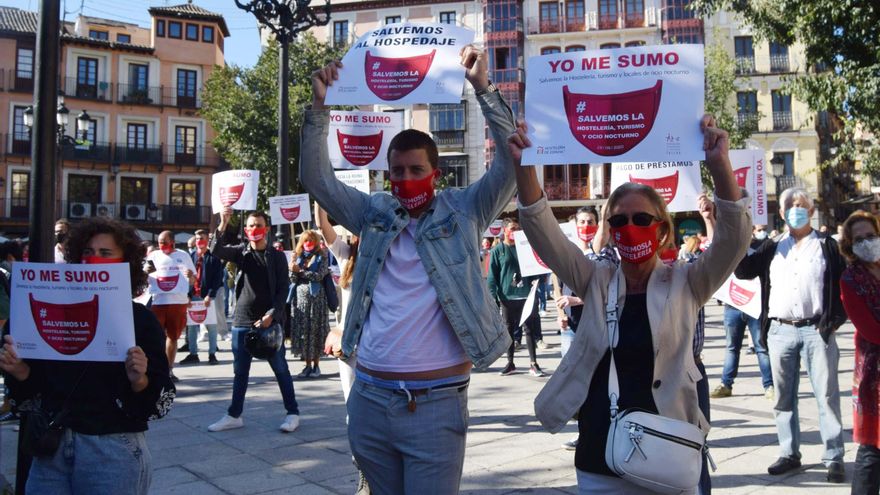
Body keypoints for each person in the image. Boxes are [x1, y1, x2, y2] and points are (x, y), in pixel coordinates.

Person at [302, 45, 515, 493]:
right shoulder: (373, 212)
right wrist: (320, 106)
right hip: (368, 399)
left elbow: (510, 165)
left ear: (436, 172)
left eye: (416, 169)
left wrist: (482, 87)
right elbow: (317, 180)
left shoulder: (465, 210)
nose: (405, 179)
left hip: (436, 405)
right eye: (397, 171)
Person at [509, 114, 750, 493]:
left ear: (662, 228)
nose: (629, 227)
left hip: (669, 457)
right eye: (619, 221)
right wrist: (525, 165)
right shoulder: (595, 279)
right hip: (600, 456)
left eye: (641, 218)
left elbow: (734, 240)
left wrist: (719, 163)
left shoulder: (688, 281)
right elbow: (543, 234)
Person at [0, 217, 175, 494]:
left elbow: (159, 401)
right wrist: (20, 371)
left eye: (105, 253)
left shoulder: (140, 320)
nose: (94, 260)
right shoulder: (56, 312)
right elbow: (35, 391)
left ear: (125, 263)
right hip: (52, 447)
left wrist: (139, 380)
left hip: (112, 449)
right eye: (87, 251)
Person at [734, 187, 847, 482]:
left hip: (816, 331)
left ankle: (834, 457)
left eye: (800, 204)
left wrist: (834, 320)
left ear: (811, 210)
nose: (795, 209)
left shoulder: (827, 245)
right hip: (780, 330)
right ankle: (788, 452)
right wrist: (739, 229)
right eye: (789, 206)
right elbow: (744, 271)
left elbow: (845, 282)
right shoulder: (772, 246)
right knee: (783, 398)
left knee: (826, 395)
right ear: (782, 214)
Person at [207, 209, 300, 433]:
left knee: (280, 369)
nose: (254, 229)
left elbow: (283, 290)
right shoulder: (242, 252)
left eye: (258, 225)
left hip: (269, 322)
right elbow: (215, 249)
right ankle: (234, 415)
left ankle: (292, 413)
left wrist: (272, 315)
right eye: (250, 225)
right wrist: (223, 223)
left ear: (266, 229)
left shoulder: (276, 256)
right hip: (242, 321)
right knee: (240, 371)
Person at [316, 203, 370, 494]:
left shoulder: (389, 260)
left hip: (377, 345)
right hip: (348, 346)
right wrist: (320, 196)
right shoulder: (347, 255)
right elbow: (322, 226)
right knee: (353, 409)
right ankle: (362, 470)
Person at [837, 210, 880, 494]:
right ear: (850, 245)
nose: (867, 242)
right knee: (872, 448)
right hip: (874, 374)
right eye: (859, 239)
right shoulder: (850, 279)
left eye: (871, 236)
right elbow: (870, 330)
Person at [710, 224, 774, 400]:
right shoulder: (730, 249)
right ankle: (726, 384)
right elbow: (713, 247)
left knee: (761, 347)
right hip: (733, 305)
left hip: (755, 306)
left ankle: (769, 385)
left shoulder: (762, 248)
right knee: (732, 347)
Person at [488, 218, 545, 377]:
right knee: (509, 331)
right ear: (504, 230)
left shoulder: (525, 248)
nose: (516, 231)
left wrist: (536, 279)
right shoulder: (497, 250)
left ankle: (533, 363)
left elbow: (535, 267)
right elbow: (492, 276)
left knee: (529, 329)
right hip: (507, 297)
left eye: (518, 228)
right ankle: (510, 363)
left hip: (526, 295)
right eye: (512, 228)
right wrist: (492, 297)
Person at [145, 231, 195, 382]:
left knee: (173, 337)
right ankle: (155, 369)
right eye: (159, 242)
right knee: (155, 338)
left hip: (178, 302)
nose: (161, 245)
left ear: (173, 242)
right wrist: (146, 272)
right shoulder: (154, 256)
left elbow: (193, 280)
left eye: (164, 242)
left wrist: (190, 276)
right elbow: (144, 276)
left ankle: (169, 370)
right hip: (158, 302)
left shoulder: (183, 255)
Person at [289, 230, 331, 378]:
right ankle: (307, 365)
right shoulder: (298, 256)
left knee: (315, 331)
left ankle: (316, 365)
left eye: (312, 240)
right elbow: (293, 279)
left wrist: (300, 271)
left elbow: (319, 276)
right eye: (306, 240)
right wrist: (292, 267)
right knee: (304, 332)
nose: (308, 243)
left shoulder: (322, 256)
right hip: (300, 301)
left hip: (317, 300)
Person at [180, 230, 225, 366]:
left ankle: (212, 354)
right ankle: (193, 353)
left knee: (211, 326)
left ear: (207, 241)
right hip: (193, 296)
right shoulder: (191, 257)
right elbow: (185, 278)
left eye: (202, 238)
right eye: (197, 238)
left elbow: (217, 279)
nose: (199, 241)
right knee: (192, 327)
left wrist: (210, 295)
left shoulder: (214, 258)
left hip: (207, 297)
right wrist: (187, 295)